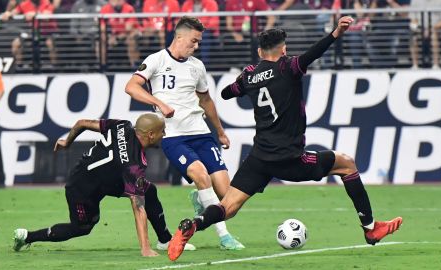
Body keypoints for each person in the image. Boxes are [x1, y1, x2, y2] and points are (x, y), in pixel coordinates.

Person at [167, 16, 403, 261]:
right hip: (290, 157)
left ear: (259, 51)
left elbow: (227, 93)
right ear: (284, 49)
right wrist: (336, 33)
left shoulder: (249, 75)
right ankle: (370, 228)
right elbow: (313, 53)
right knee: (346, 163)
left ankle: (194, 224)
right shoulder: (288, 67)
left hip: (259, 158)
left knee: (228, 207)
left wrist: (245, 81)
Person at [125, 16, 245, 250]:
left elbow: (206, 99)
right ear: (179, 37)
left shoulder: (196, 66)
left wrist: (219, 132)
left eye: (199, 42)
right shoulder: (156, 60)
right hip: (173, 135)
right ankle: (224, 237)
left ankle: (200, 200)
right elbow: (131, 87)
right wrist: (159, 103)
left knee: (228, 199)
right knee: (201, 175)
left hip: (201, 132)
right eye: (194, 41)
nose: (196, 46)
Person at [12, 113, 195, 256]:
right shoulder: (133, 166)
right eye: (162, 131)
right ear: (150, 134)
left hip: (106, 179)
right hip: (82, 188)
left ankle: (165, 240)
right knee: (82, 227)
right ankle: (28, 236)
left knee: (149, 191)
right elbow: (138, 207)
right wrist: (145, 248)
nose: (164, 135)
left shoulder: (121, 125)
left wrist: (67, 141)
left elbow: (82, 122)